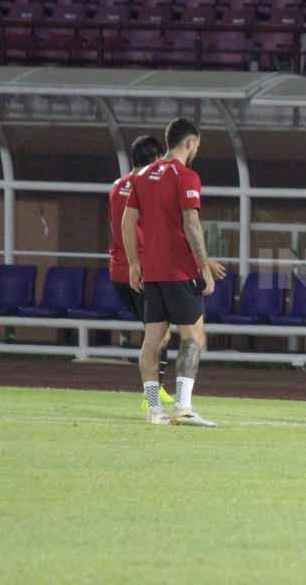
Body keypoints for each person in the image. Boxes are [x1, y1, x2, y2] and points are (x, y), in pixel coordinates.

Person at [121, 118, 220, 427]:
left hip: (152, 272)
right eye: (196, 146)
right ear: (189, 143)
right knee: (194, 337)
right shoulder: (186, 176)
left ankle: (154, 409)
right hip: (179, 270)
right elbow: (191, 223)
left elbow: (127, 222)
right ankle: (183, 406)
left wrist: (134, 263)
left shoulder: (141, 176)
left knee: (152, 340)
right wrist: (204, 264)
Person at [109, 135, 177, 411]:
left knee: (159, 334)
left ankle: (156, 391)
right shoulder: (147, 188)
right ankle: (151, 397)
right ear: (154, 160)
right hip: (143, 271)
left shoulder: (117, 187)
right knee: (156, 336)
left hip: (119, 271)